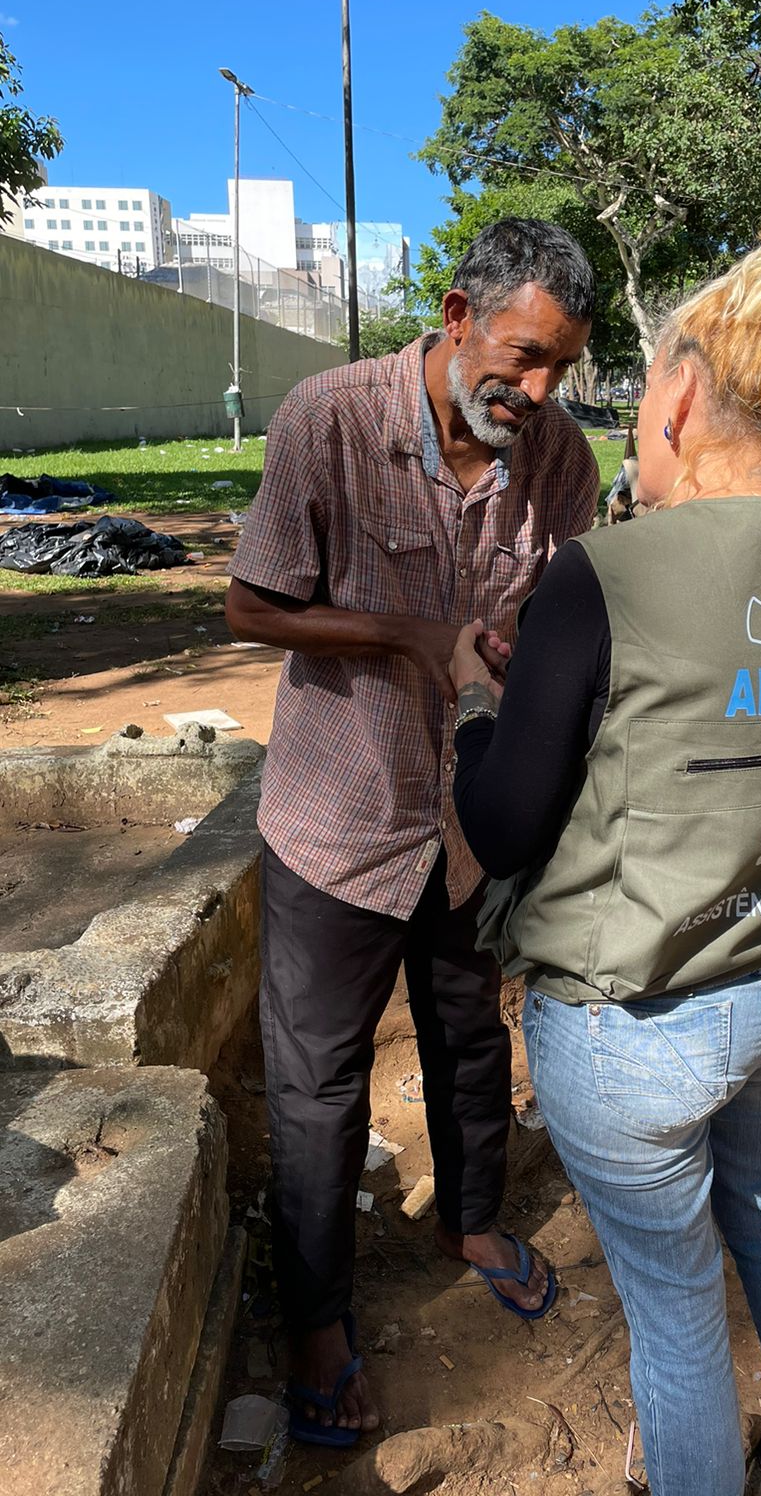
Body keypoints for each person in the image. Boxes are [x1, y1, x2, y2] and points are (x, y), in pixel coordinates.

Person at [448, 213, 761, 1496]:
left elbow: (502, 827)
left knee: (674, 1298)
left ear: (685, 393)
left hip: (635, 1019)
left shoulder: (605, 576)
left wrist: (483, 711)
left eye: (641, 392)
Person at [224, 219, 600, 1445]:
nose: (536, 394)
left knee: (468, 1031)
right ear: (455, 315)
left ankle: (471, 1214)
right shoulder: (325, 418)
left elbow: (560, 611)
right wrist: (405, 632)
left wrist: (514, 665)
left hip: (467, 820)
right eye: (522, 357)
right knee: (319, 1080)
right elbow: (252, 604)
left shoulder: (561, 462)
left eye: (560, 370)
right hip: (338, 815)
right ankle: (318, 1318)